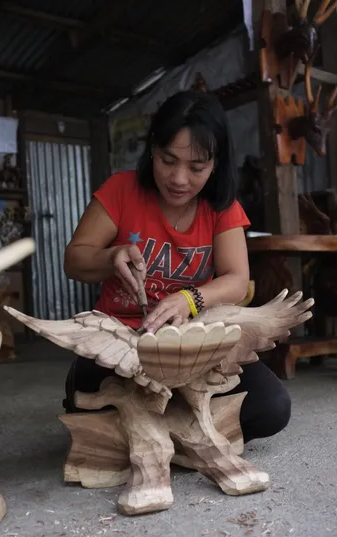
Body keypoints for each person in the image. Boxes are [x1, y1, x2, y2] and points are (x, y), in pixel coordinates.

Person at [63, 90, 291, 444]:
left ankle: (156, 435)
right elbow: (74, 260)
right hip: (123, 339)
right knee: (85, 400)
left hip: (194, 345)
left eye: (197, 167)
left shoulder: (221, 206)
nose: (179, 179)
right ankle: (184, 434)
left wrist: (189, 299)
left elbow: (237, 280)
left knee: (271, 408)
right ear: (152, 148)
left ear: (216, 164)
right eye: (168, 160)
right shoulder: (122, 190)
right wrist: (110, 257)